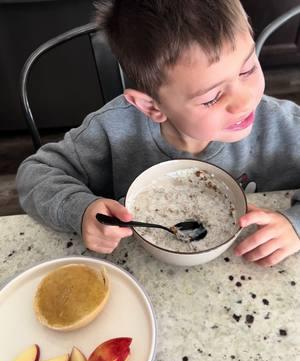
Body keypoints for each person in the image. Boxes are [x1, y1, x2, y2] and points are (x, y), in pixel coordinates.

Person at [16, 0, 300, 267]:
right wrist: (81, 211)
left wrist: (295, 224)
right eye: (212, 98)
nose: (245, 100)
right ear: (152, 107)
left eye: (248, 69)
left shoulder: (283, 124)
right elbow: (34, 174)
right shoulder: (113, 129)